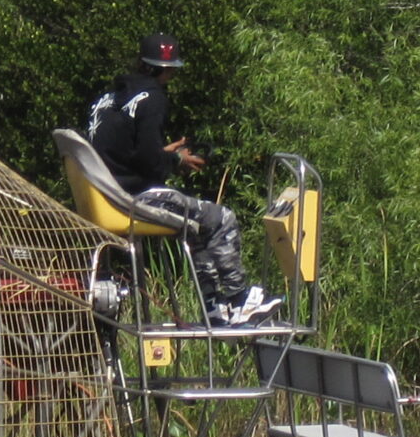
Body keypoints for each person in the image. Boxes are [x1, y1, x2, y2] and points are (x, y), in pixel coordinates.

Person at [84, 33, 282, 326]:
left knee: (198, 226)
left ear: (141, 61)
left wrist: (161, 153)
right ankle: (240, 301)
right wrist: (176, 161)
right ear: (169, 69)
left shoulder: (107, 98)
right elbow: (150, 164)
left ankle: (214, 308)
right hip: (136, 197)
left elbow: (121, 151)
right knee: (222, 218)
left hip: (106, 193)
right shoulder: (152, 98)